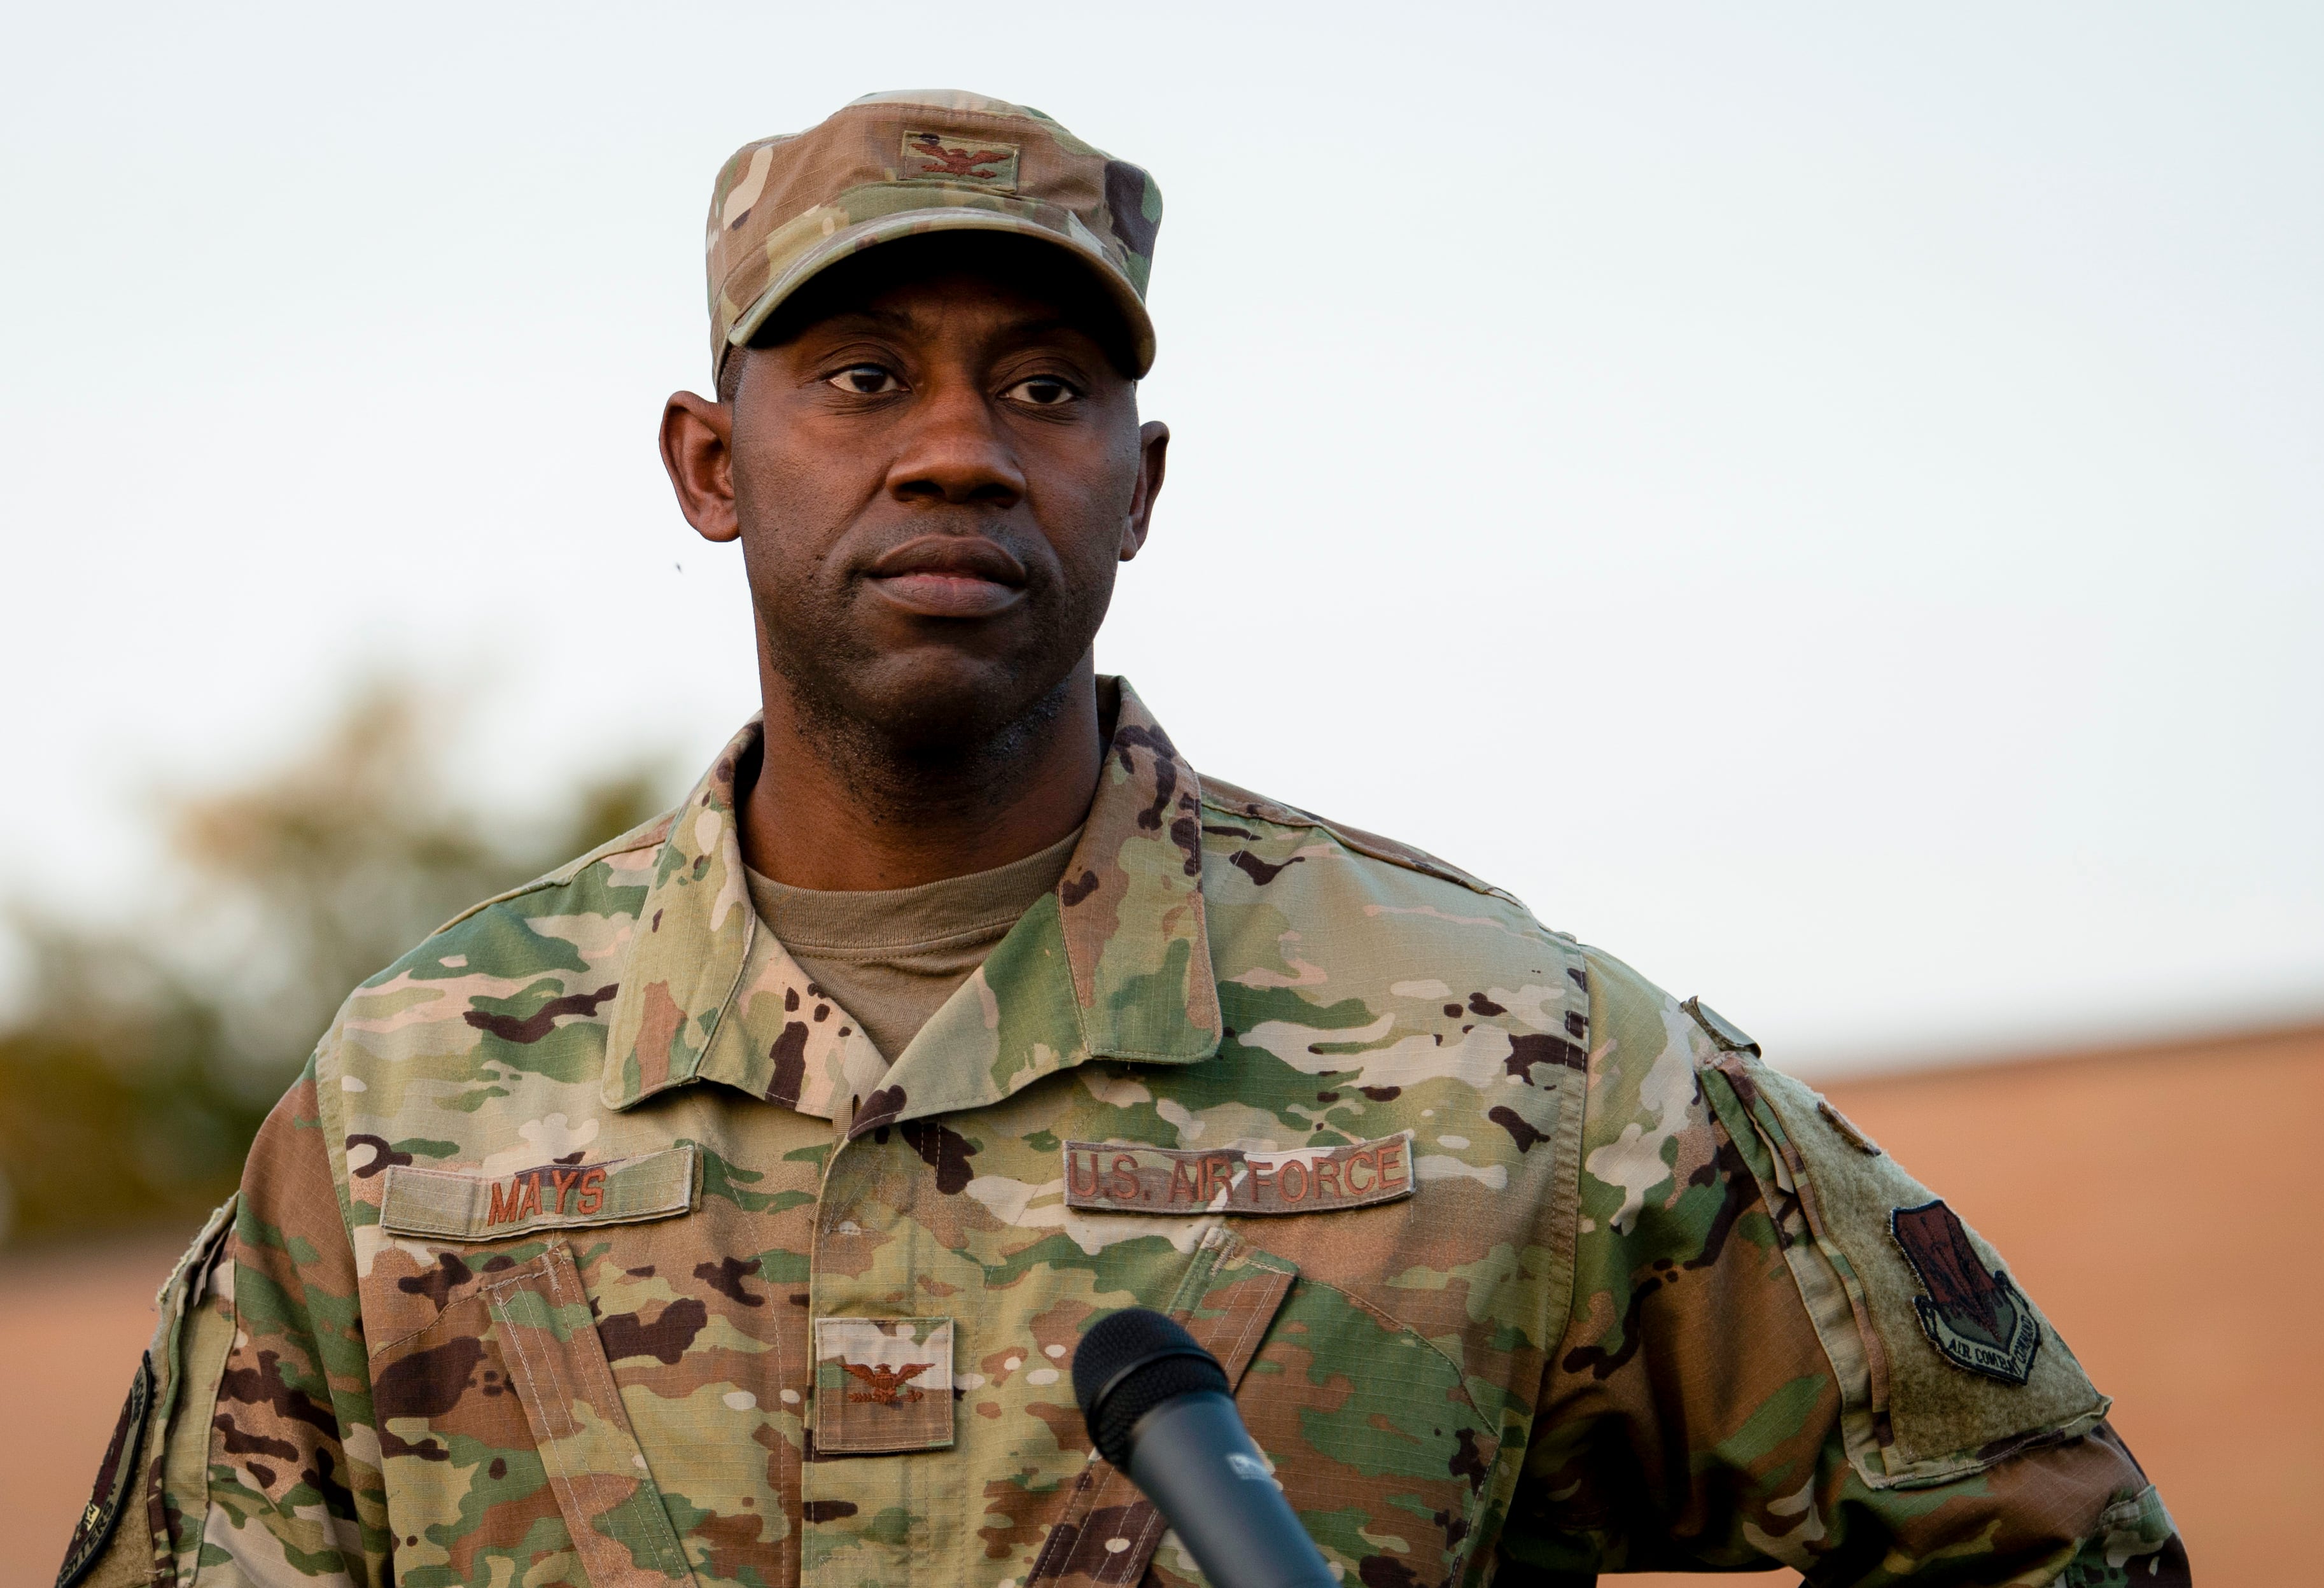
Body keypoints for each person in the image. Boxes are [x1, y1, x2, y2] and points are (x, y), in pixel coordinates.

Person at [59, 90, 2187, 1588]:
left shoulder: (1507, 1052)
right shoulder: (413, 1098)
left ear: (1142, 482)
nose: (966, 452)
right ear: (712, 464)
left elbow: (2045, 1540)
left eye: (1050, 387)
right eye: (866, 377)